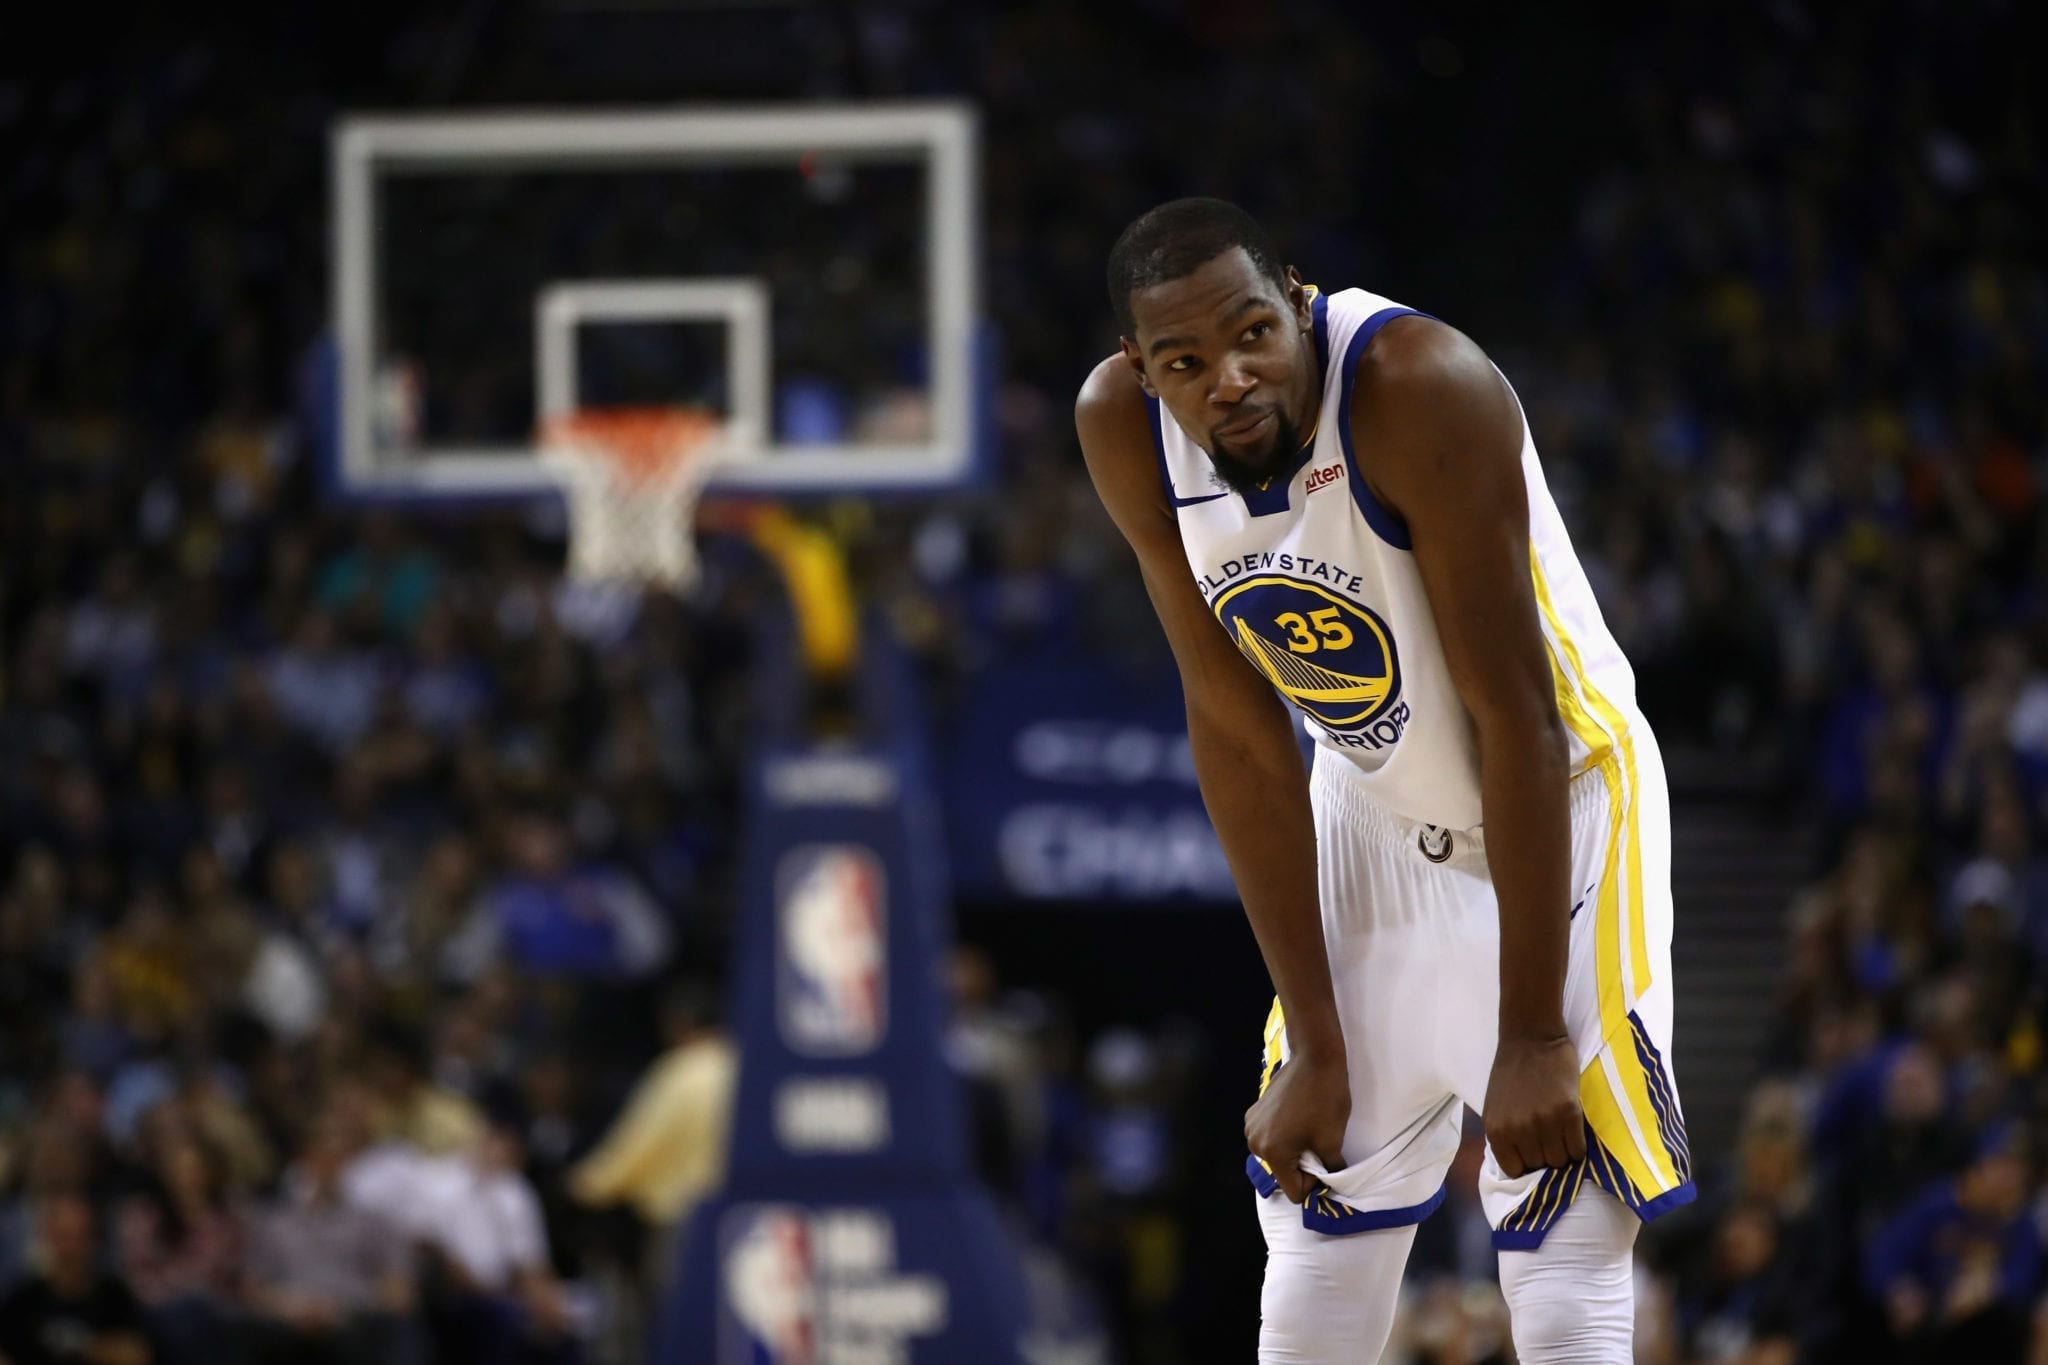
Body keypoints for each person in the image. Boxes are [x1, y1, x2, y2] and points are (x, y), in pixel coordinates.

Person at [1075, 198, 1691, 1362]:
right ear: (1138, 368)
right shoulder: (1120, 428)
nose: (1230, 380)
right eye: (1185, 361)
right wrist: (1312, 1035)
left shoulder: (1418, 383)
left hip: (1562, 797)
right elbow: (1236, 728)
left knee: (1560, 1230)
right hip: (1365, 792)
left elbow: (1516, 718)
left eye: (1253, 333)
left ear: (1297, 300)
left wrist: (1529, 1035)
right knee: (1312, 1209)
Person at [0, 1193, 152, 1365]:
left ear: (94, 1240)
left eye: (78, 1236)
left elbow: (137, 1354)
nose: (70, 1248)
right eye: (62, 1236)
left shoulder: (114, 1295)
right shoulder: (24, 1299)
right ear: (48, 1238)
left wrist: (84, 1347)